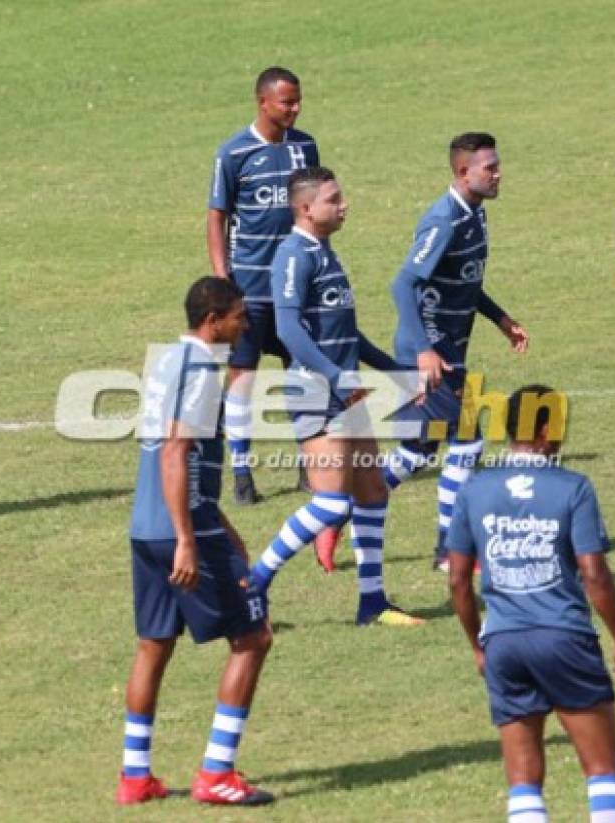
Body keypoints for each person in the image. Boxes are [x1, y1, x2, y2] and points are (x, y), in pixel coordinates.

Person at [337, 132, 529, 574]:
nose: (499, 175)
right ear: (464, 173)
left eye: (498, 165)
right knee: (468, 444)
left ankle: (340, 512)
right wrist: (423, 351)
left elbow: (465, 280)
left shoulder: (474, 215)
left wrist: (501, 319)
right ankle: (449, 550)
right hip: (430, 355)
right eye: (490, 168)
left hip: (447, 350)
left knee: (418, 450)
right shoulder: (444, 220)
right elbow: (403, 284)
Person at [118, 276, 275, 807]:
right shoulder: (206, 370)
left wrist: (220, 524)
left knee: (154, 645)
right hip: (181, 530)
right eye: (239, 316)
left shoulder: (166, 362)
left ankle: (134, 777)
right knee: (253, 637)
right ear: (213, 321)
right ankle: (216, 773)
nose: (246, 324)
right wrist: (188, 538)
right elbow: (175, 453)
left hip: (144, 528)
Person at [447, 386, 615, 823]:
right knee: (603, 772)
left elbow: (457, 578)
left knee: (524, 782)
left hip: (504, 644)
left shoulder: (476, 488)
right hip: (564, 637)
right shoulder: (572, 487)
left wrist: (478, 645)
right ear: (545, 429)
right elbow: (594, 573)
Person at [246, 167, 423, 627]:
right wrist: (335, 378)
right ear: (306, 208)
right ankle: (254, 583)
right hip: (316, 393)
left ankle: (372, 602)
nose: (343, 205)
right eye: (333, 199)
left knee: (372, 491)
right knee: (331, 505)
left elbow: (348, 334)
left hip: (345, 394)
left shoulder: (326, 253)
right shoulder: (294, 256)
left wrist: (397, 371)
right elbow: (288, 331)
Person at [208, 66, 319, 504]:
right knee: (242, 379)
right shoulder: (233, 153)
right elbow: (217, 217)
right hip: (249, 287)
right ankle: (241, 474)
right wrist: (222, 278)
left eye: (298, 100)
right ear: (263, 102)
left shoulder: (305, 147)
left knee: (304, 373)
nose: (294, 108)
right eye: (287, 101)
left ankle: (308, 466)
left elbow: (313, 209)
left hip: (295, 285)